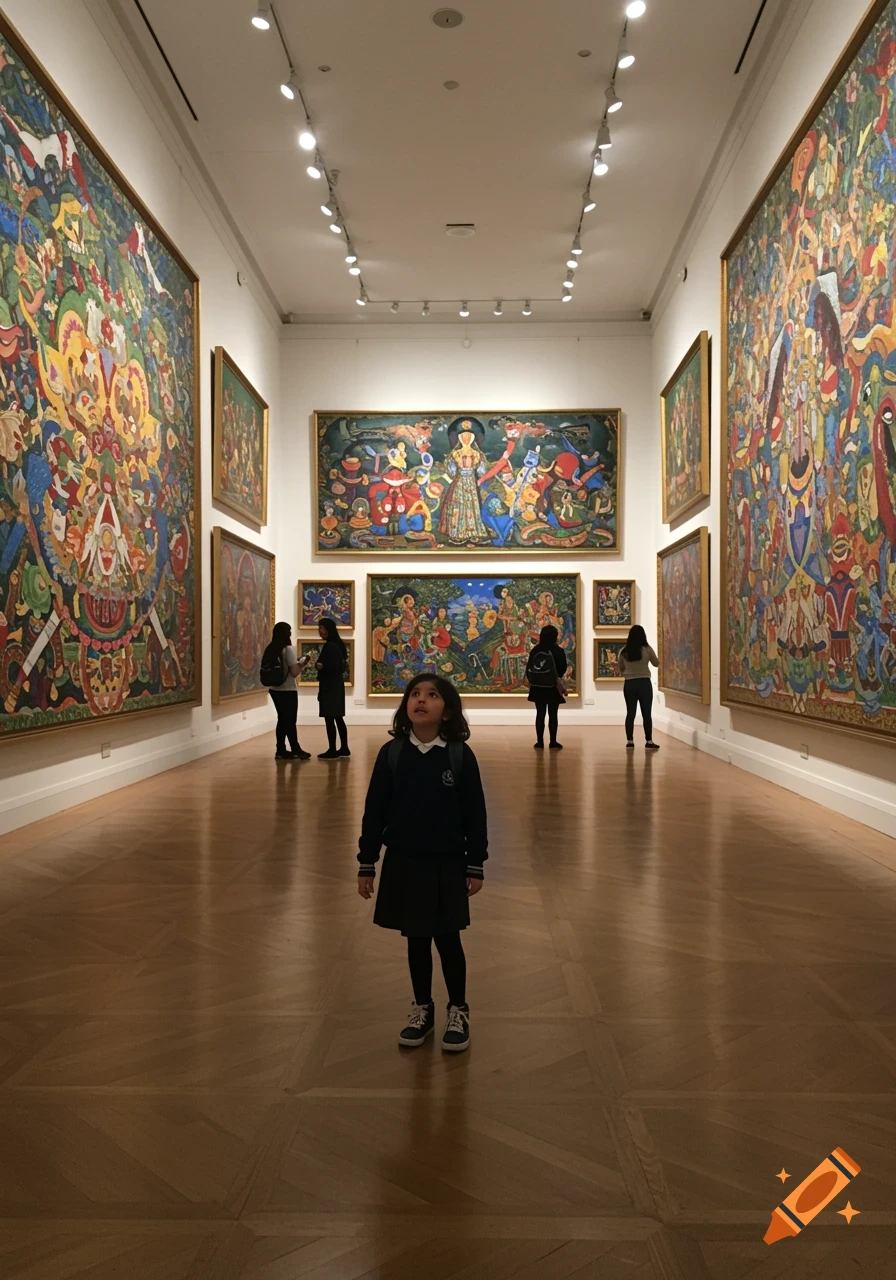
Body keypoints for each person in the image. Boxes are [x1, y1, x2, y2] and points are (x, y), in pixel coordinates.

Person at [357, 673, 488, 1052]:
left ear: (447, 710)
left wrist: (475, 863)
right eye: (415, 694)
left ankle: (458, 1009)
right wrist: (367, 863)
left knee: (448, 940)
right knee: (415, 939)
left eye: (432, 695)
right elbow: (374, 812)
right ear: (406, 706)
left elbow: (475, 814)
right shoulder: (392, 754)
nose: (421, 701)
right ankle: (422, 1009)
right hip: (404, 860)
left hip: (447, 862)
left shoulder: (459, 755)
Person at [261, 621, 311, 760]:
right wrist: (303, 664)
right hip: (287, 689)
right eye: (289, 631)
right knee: (290, 720)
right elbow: (294, 672)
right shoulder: (287, 649)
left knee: (282, 720)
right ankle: (296, 749)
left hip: (274, 689)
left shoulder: (271, 648)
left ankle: (281, 749)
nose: (290, 633)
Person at [525, 624, 567, 749]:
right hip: (552, 686)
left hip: (538, 686)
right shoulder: (558, 651)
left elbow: (529, 668)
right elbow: (562, 668)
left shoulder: (536, 650)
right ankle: (553, 741)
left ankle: (539, 742)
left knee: (540, 713)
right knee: (553, 714)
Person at [619, 625, 660, 750]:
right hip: (644, 683)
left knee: (630, 713)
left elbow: (621, 669)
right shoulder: (646, 649)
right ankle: (649, 740)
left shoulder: (624, 651)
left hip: (629, 683)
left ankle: (630, 741)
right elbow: (656, 663)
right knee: (646, 713)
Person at [315, 617, 350, 759]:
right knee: (338, 718)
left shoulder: (330, 646)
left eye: (321, 629)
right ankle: (344, 747)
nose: (320, 632)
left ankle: (332, 749)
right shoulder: (338, 645)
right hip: (336, 685)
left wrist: (321, 666)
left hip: (330, 687)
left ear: (328, 630)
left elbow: (333, 667)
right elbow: (341, 666)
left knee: (330, 718)